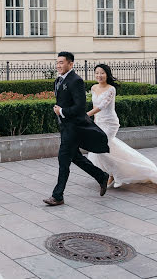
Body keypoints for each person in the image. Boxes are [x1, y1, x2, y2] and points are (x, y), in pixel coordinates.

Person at [44, 52, 110, 207]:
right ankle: (101, 176)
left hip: (74, 127)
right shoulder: (58, 80)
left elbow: (80, 107)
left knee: (63, 158)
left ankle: (57, 195)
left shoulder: (76, 80)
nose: (59, 65)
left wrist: (61, 112)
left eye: (62, 62)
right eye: (57, 62)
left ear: (71, 64)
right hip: (65, 126)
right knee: (76, 157)